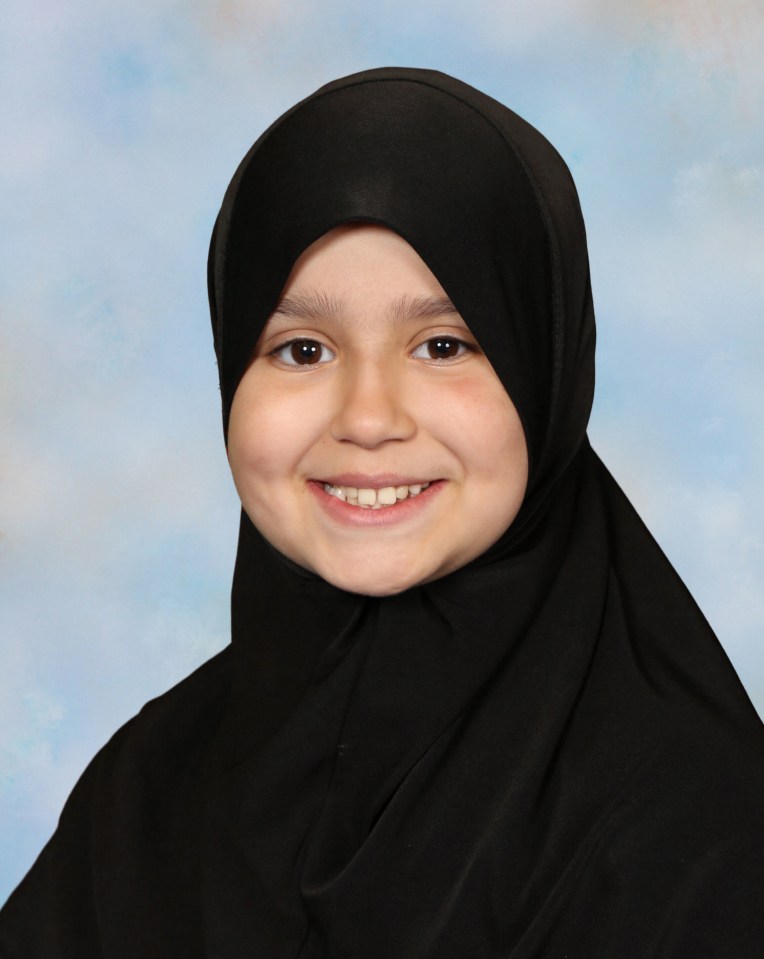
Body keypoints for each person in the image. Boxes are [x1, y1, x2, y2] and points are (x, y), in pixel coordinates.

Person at [1, 66, 763, 958]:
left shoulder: (693, 835)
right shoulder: (147, 792)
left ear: (548, 371)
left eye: (444, 345)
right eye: (301, 348)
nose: (368, 417)